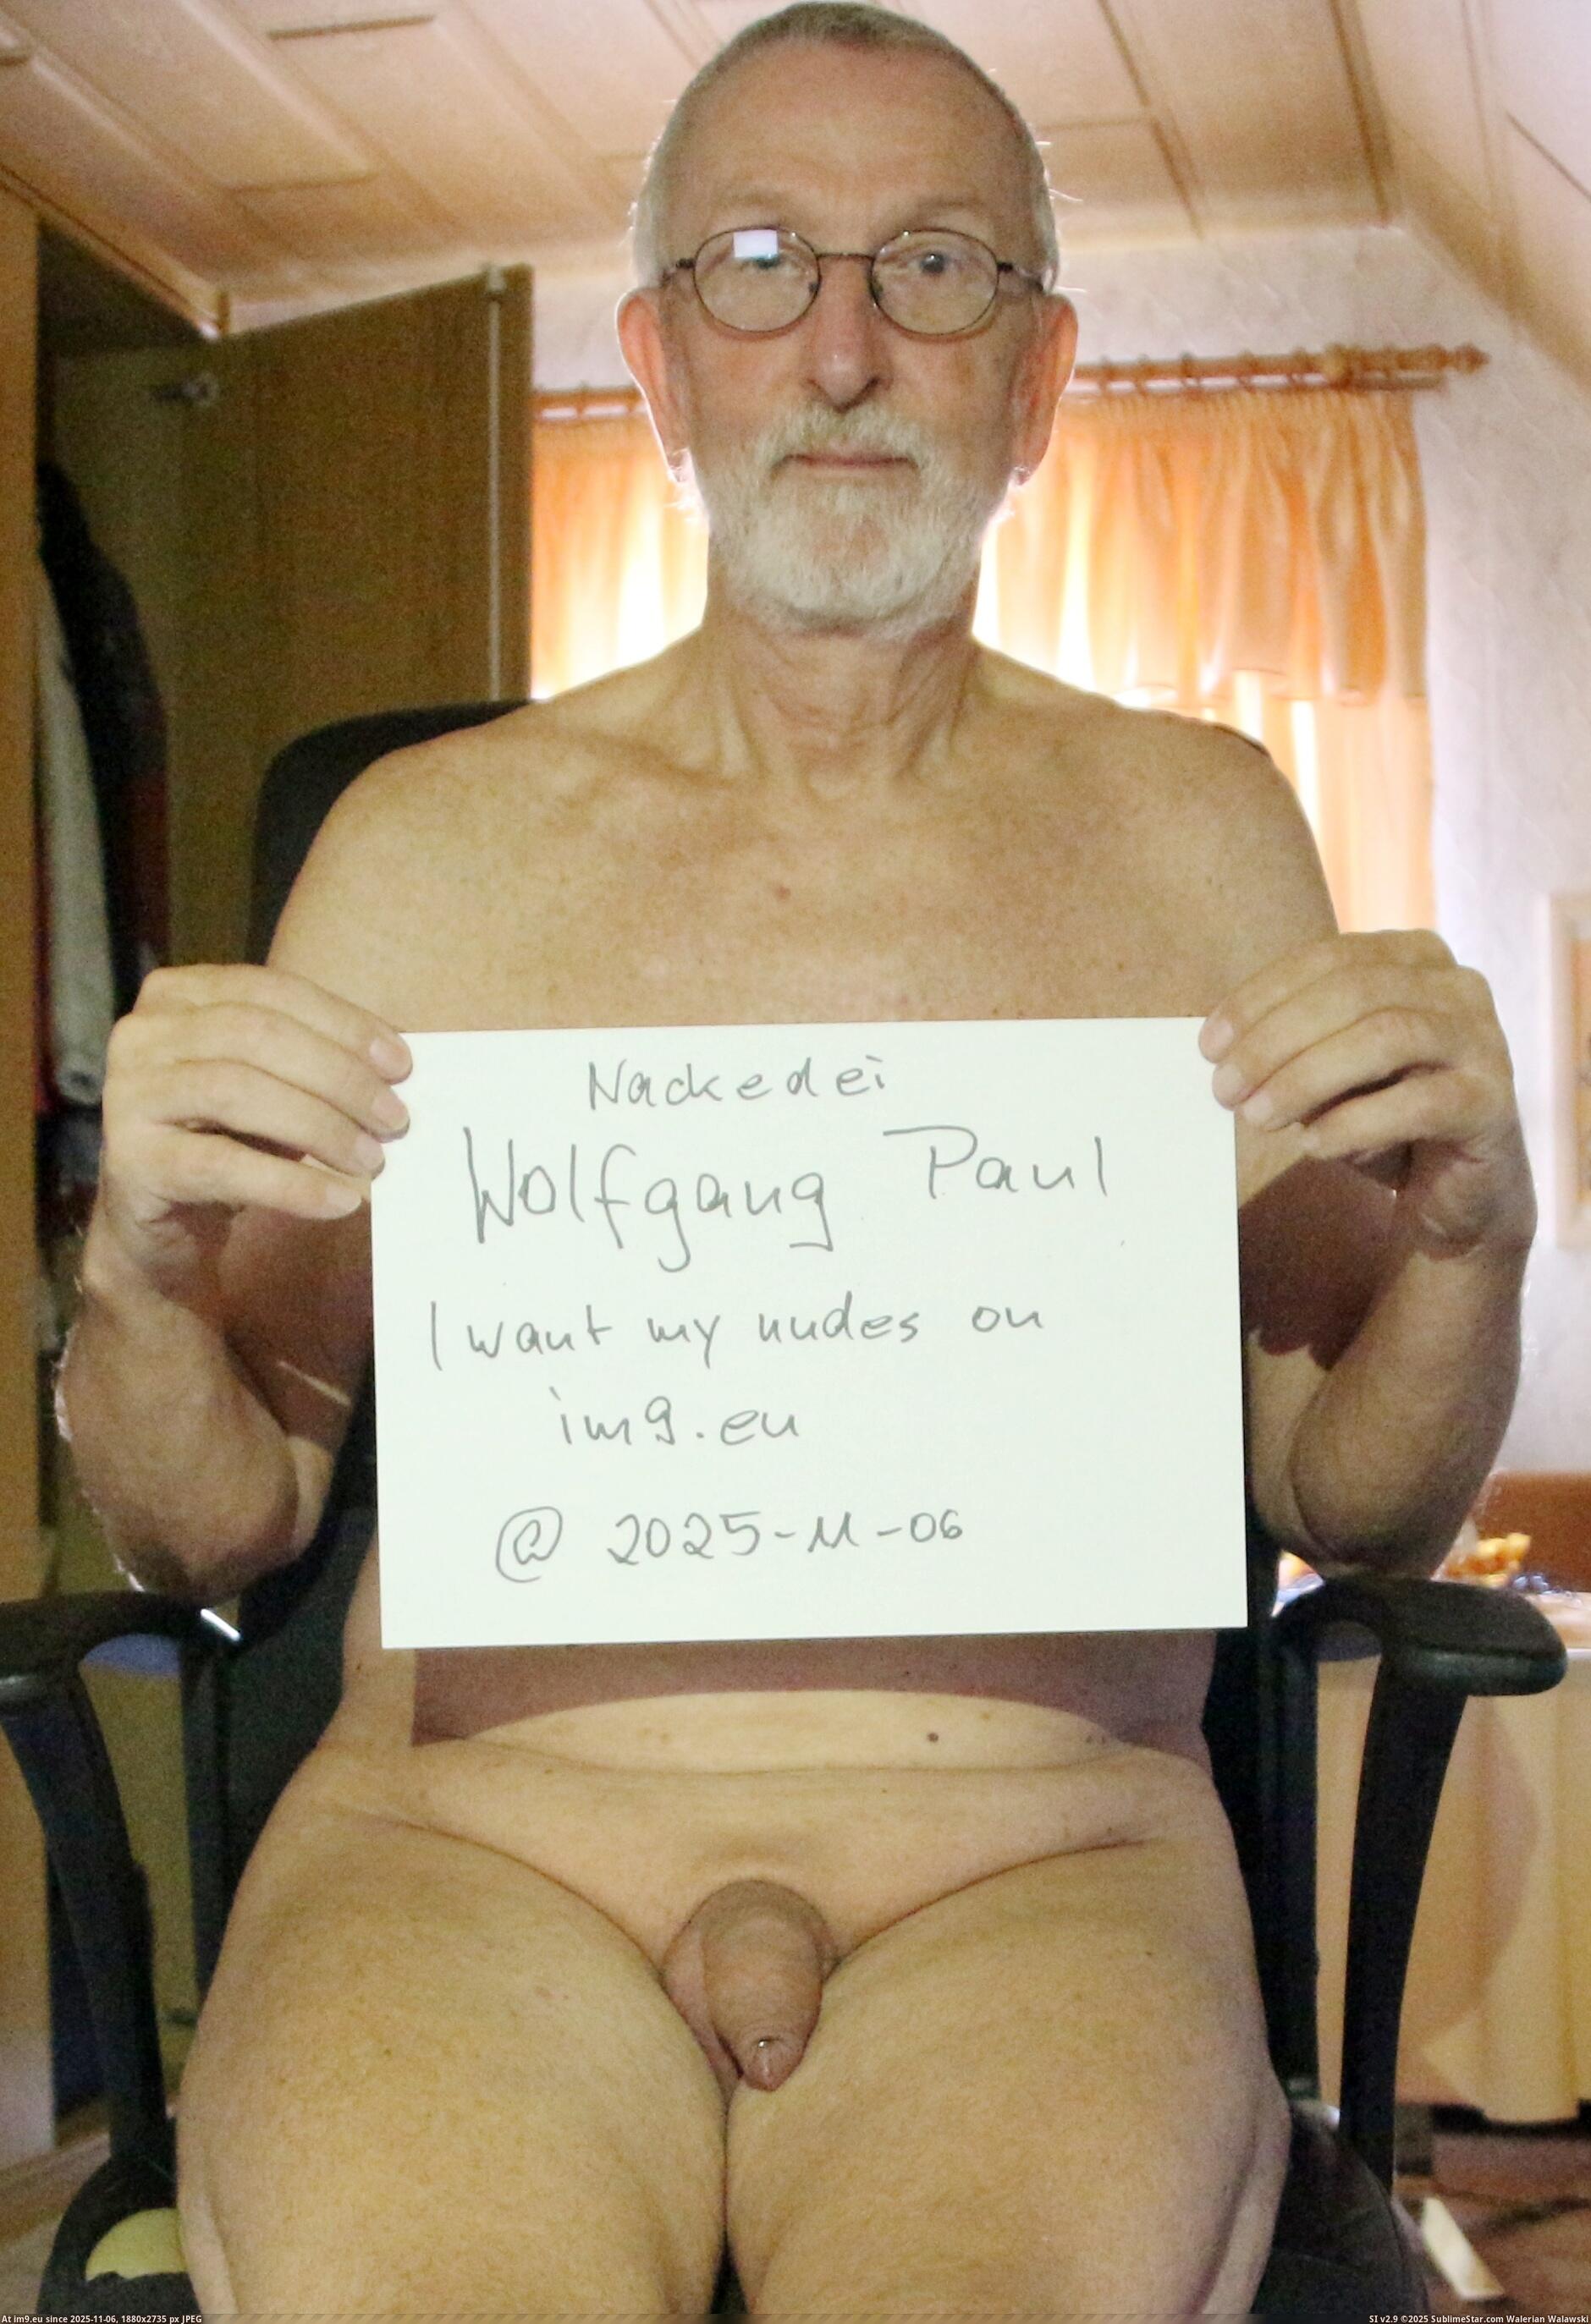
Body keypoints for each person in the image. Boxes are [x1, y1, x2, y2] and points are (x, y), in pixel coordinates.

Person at [59, 4, 1537, 2313]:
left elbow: (1348, 1503)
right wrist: (137, 1271)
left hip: (1038, 1873)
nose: (844, 350)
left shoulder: (1202, 830)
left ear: (1036, 377)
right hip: (477, 1862)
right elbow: (214, 1524)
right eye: (759, 265)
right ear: (659, 366)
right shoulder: (426, 852)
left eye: (935, 267)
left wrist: (1466, 1247)